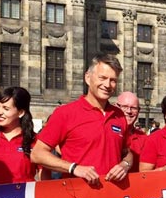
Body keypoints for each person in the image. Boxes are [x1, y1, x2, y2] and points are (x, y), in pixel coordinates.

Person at [31, 54, 133, 185]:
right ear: (88, 78)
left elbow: (128, 154)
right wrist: (73, 168)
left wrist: (124, 165)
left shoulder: (119, 115)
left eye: (113, 80)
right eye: (102, 78)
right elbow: (37, 154)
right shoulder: (65, 113)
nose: (107, 85)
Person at [0, 87, 38, 184]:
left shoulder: (35, 140)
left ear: (20, 112)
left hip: (23, 197)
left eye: (6, 108)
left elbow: (44, 176)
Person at [116, 91, 147, 173]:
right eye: (125, 107)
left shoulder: (145, 139)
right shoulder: (106, 133)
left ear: (139, 111)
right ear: (116, 107)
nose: (129, 111)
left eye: (133, 108)